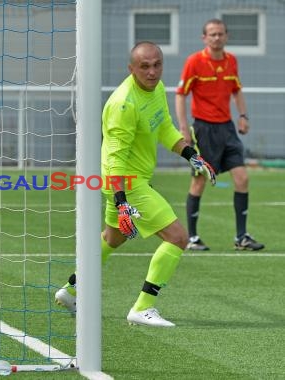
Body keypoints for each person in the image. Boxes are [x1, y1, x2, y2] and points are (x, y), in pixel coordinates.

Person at [54, 41, 216, 327]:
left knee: (112, 239)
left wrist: (192, 156)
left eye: (157, 65)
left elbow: (164, 127)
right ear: (131, 69)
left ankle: (70, 290)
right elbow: (115, 159)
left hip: (127, 182)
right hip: (125, 183)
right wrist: (122, 201)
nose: (152, 72)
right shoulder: (123, 104)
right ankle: (143, 307)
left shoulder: (155, 90)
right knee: (178, 238)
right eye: (145, 67)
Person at [175, 18, 264, 251]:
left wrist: (243, 116)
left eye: (220, 34)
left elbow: (237, 91)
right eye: (212, 34)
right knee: (199, 181)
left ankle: (241, 237)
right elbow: (181, 94)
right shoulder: (194, 62)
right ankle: (192, 238)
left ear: (226, 36)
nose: (217, 38)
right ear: (204, 38)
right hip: (203, 129)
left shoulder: (231, 61)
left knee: (242, 178)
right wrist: (184, 128)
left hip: (227, 128)